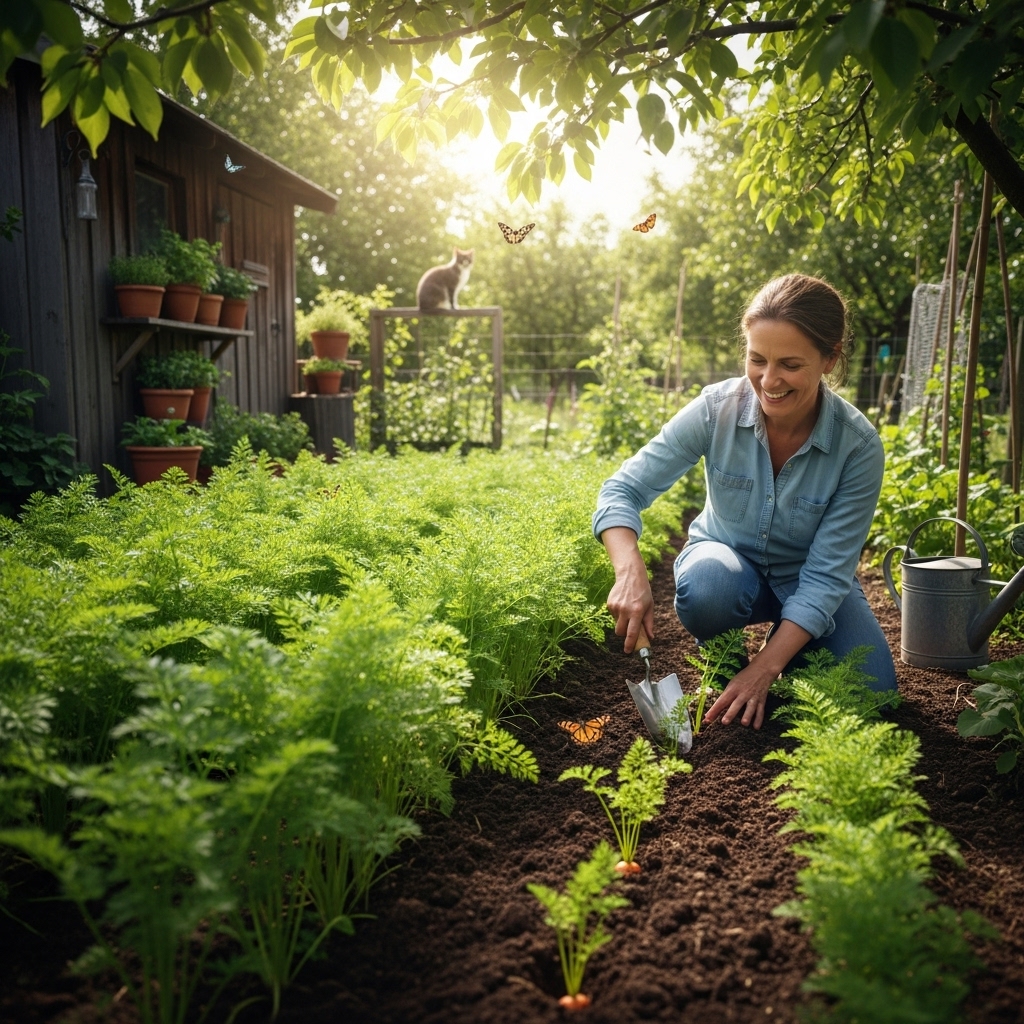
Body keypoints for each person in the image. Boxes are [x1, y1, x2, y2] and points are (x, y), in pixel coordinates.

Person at [593, 274, 896, 730]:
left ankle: (785, 652)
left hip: (807, 580)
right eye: (758, 360)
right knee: (708, 588)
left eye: (790, 365)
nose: (769, 381)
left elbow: (827, 575)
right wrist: (630, 570)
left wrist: (765, 669)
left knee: (872, 699)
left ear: (830, 358)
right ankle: (724, 663)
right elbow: (622, 490)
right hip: (726, 567)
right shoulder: (716, 409)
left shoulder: (857, 447)